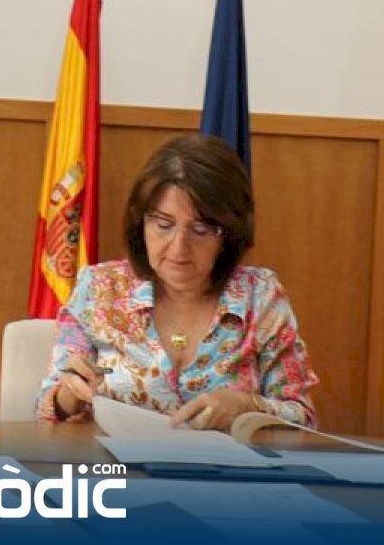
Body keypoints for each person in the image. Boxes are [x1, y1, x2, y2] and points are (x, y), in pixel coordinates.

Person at [36, 134, 319, 431]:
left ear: (229, 234)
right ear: (141, 223)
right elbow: (47, 407)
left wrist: (249, 406)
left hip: (224, 462)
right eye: (163, 224)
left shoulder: (260, 296)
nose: (179, 247)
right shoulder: (98, 288)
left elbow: (303, 418)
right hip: (117, 460)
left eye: (201, 230)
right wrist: (69, 395)